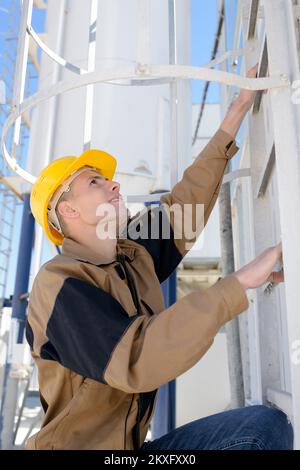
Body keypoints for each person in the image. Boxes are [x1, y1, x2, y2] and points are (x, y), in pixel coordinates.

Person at [25, 65, 293, 450]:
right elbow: (135, 358)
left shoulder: (131, 255)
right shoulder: (58, 284)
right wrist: (237, 284)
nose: (114, 183)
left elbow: (185, 206)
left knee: (261, 428)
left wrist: (234, 116)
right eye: (94, 182)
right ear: (67, 212)